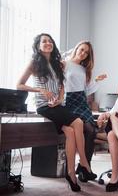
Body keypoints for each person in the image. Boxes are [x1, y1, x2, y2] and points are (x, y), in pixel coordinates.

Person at [16, 33, 95, 192]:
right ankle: (85, 164)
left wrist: (59, 99)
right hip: (43, 106)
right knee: (78, 122)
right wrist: (40, 89)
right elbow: (19, 85)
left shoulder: (57, 63)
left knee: (71, 131)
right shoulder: (34, 63)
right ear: (38, 45)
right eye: (44, 41)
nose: (48, 43)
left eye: (50, 41)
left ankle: (71, 175)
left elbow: (62, 86)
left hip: (57, 106)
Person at [63, 41, 107, 181]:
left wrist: (96, 80)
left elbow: (86, 90)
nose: (83, 53)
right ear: (76, 49)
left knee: (91, 130)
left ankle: (84, 167)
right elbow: (59, 83)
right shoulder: (64, 64)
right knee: (85, 129)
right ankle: (84, 168)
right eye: (81, 49)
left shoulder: (83, 69)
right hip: (69, 101)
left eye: (86, 52)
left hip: (81, 101)